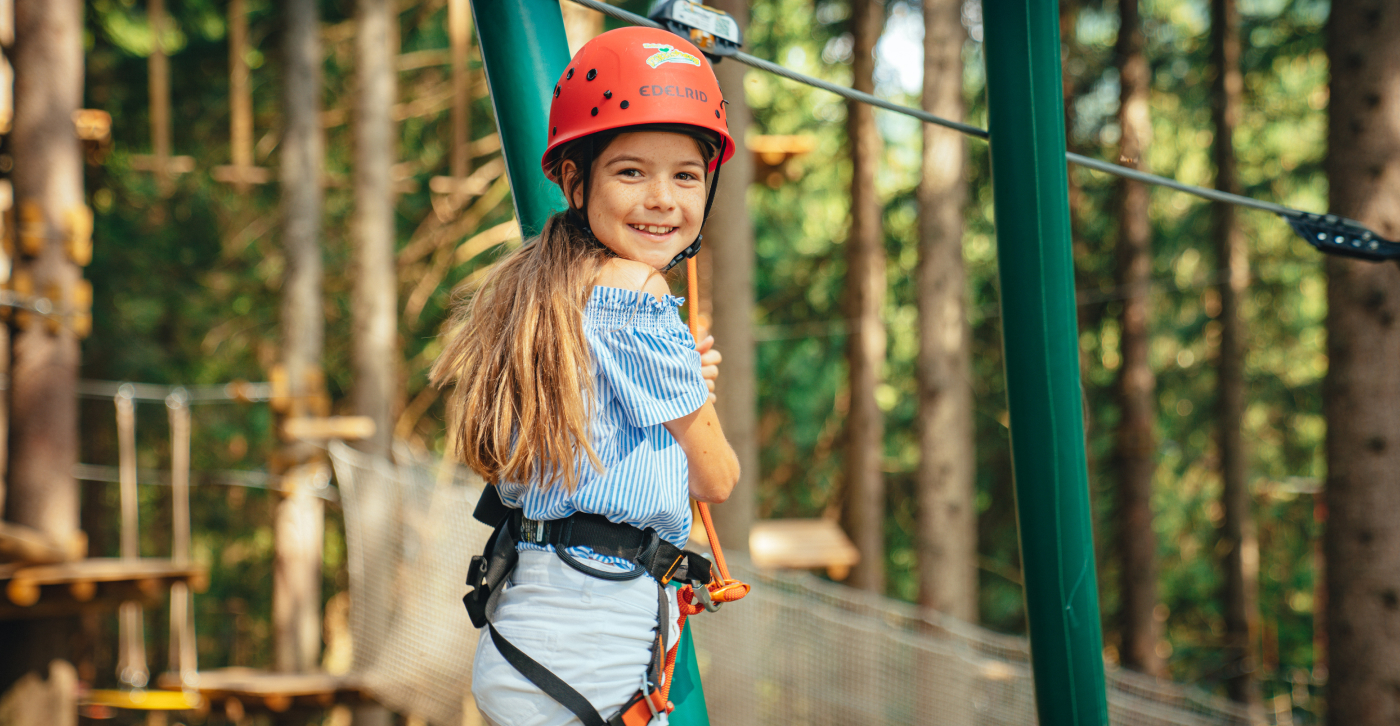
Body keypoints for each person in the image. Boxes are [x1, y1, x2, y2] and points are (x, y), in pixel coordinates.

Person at [430, 27, 741, 726]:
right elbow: (716, 478)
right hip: (591, 638)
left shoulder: (537, 290)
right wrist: (694, 398)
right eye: (631, 172)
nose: (662, 198)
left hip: (524, 627)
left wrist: (680, 385)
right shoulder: (637, 290)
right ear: (576, 179)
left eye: (685, 175)